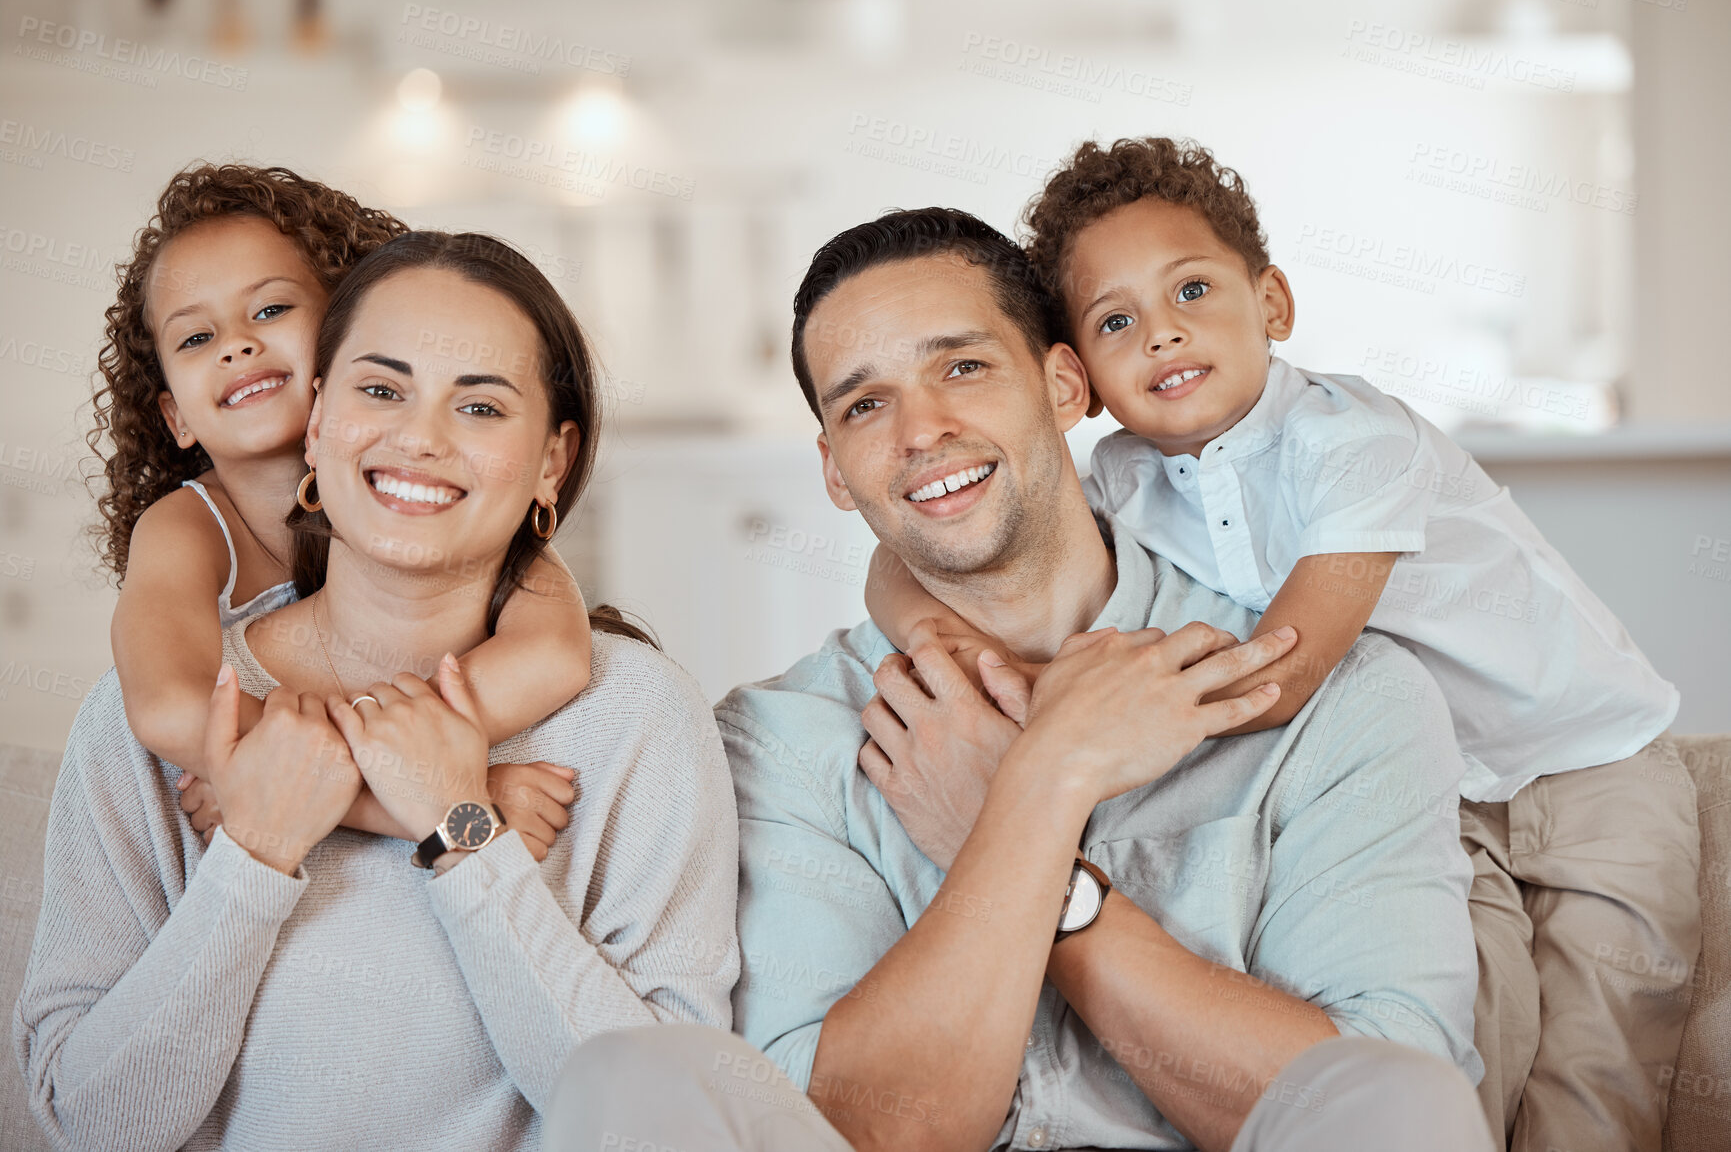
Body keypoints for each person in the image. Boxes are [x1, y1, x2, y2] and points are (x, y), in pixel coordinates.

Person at [546, 208, 1493, 1152]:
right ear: (835, 470)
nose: (923, 430)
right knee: (635, 1072)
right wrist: (1043, 792)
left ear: (1064, 382)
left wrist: (1039, 859)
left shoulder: (1329, 692)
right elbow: (847, 1131)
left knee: (1401, 1095)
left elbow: (1377, 1099)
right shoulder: (781, 741)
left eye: (962, 366)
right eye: (865, 403)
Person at [866, 138, 1701, 1150]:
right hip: (1426, 782)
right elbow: (900, 565)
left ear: (1274, 305)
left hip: (1584, 766)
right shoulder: (1125, 482)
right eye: (1118, 321)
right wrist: (956, 656)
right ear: (1079, 376)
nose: (1163, 337)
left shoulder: (1354, 443)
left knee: (1602, 1062)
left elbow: (1286, 670)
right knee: (1459, 1057)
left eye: (1194, 293)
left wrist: (1063, 724)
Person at [15, 231, 739, 1150]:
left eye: (479, 405)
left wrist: (462, 832)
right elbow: (90, 1123)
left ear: (552, 463)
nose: (420, 438)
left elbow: (669, 1123)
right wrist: (256, 849)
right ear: (315, 419)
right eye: (382, 389)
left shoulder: (637, 718)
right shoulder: (152, 721)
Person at [91, 163, 592, 852]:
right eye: (195, 338)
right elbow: (170, 704)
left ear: (347, 332)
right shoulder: (185, 529)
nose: (237, 344)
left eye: (270, 310)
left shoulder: (446, 507)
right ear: (176, 416)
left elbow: (556, 655)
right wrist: (433, 801)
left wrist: (412, 772)